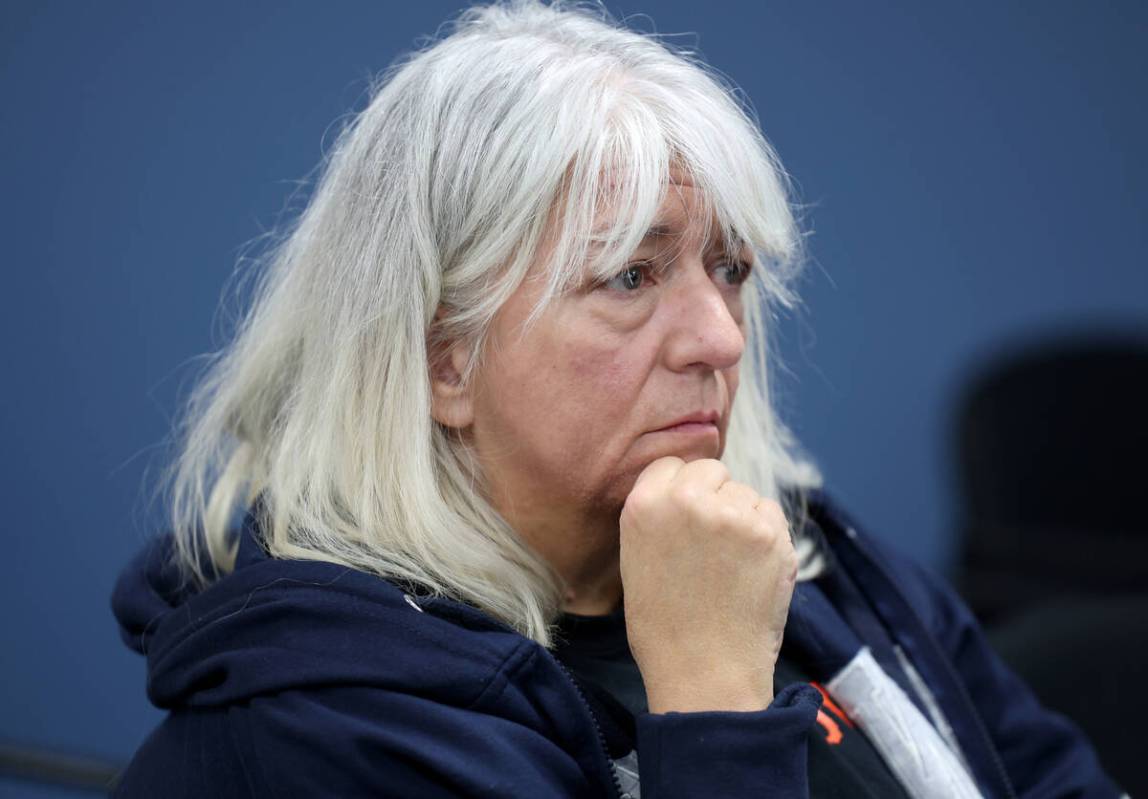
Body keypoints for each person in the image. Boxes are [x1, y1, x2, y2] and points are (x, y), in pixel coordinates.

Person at [111, 2, 1123, 796]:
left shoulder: (820, 570)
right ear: (442, 363)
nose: (720, 336)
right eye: (630, 278)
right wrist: (713, 704)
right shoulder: (331, 725)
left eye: (726, 269)